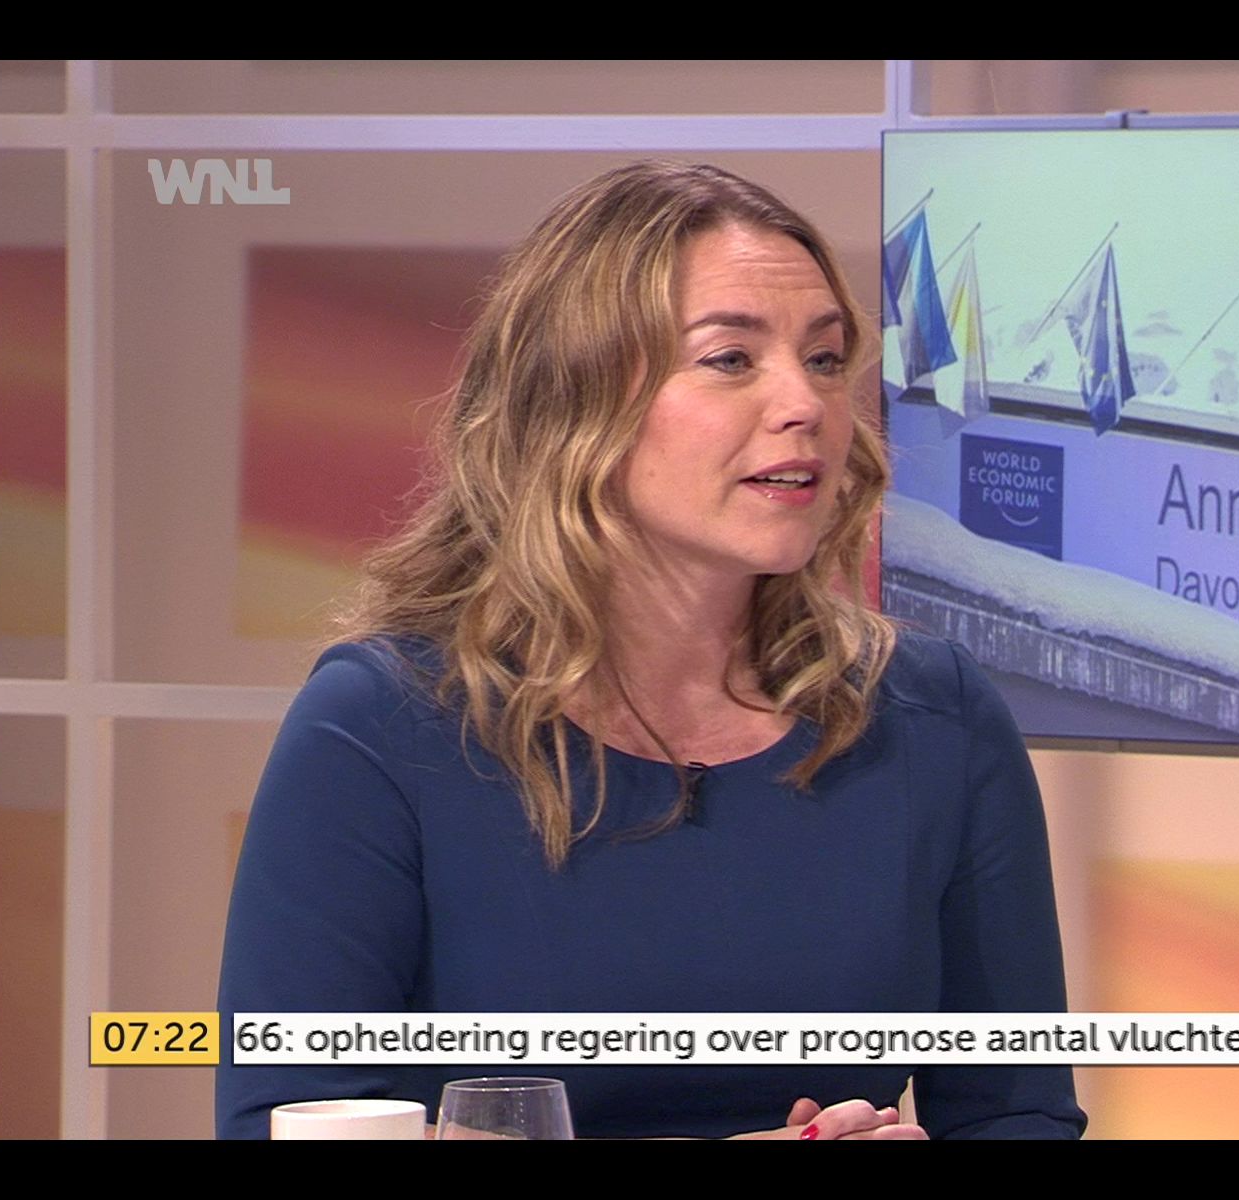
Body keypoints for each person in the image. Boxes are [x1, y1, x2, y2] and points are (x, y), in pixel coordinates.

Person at [215, 161, 1086, 1140]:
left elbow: (1019, 1116)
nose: (805, 403)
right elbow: (283, 1123)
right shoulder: (383, 727)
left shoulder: (932, 718)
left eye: (826, 357)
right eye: (731, 359)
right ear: (575, 401)